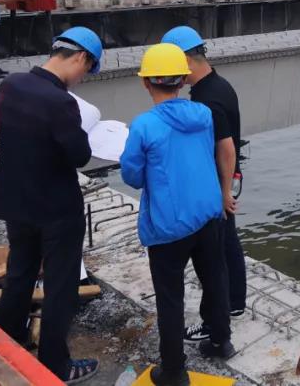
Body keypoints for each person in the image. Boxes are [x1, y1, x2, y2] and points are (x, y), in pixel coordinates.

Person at [0, 27, 103, 384]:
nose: (82, 78)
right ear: (81, 57)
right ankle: (56, 365)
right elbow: (79, 155)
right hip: (56, 210)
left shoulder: (10, 86)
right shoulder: (60, 102)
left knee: (19, 273)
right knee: (60, 286)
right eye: (87, 70)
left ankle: (6, 342)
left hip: (16, 201)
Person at [120, 43, 233, 385]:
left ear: (146, 82)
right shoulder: (203, 114)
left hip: (169, 225)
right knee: (215, 278)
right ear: (183, 80)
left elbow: (132, 176)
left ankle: (173, 370)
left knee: (170, 297)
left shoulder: (144, 126)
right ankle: (220, 341)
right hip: (208, 212)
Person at [160, 26, 247, 343]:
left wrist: (223, 193)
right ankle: (235, 302)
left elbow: (226, 148)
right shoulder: (218, 85)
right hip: (227, 177)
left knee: (215, 257)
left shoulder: (208, 99)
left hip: (219, 181)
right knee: (227, 244)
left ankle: (215, 320)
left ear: (185, 59)